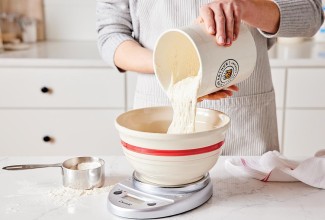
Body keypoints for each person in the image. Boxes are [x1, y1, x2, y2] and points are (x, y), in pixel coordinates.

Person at [96, 0, 324, 155]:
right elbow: (111, 34)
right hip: (161, 114)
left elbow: (311, 15)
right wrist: (170, 65)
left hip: (246, 130)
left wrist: (245, 7)